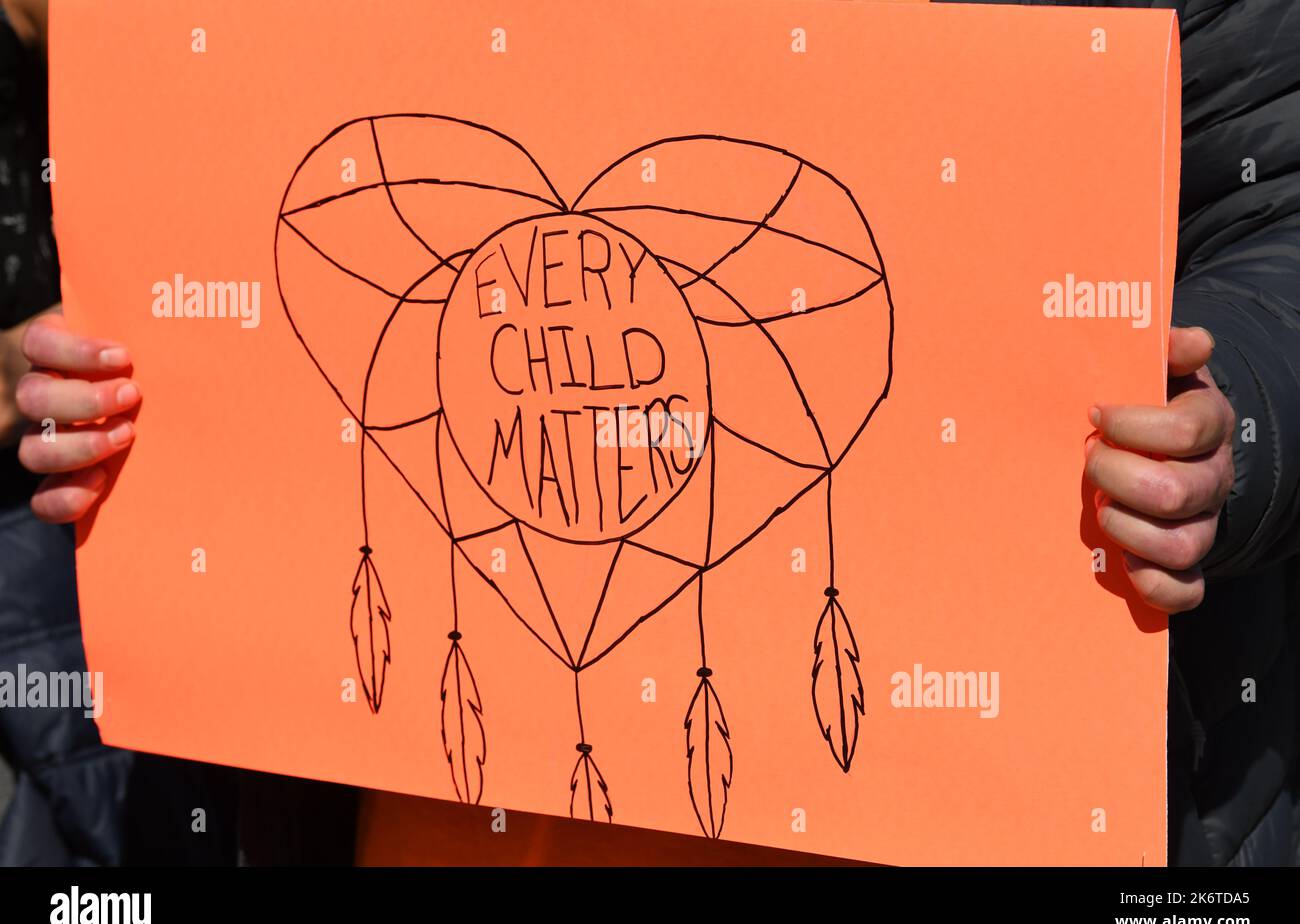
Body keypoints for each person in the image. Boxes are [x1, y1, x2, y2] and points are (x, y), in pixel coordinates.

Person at [8, 0, 1298, 865]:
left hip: (978, 790)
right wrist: (128, 375)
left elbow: (1273, 198)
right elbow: (243, 181)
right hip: (410, 797)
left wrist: (1234, 416)